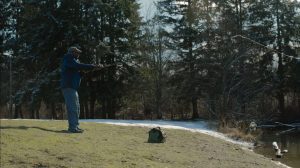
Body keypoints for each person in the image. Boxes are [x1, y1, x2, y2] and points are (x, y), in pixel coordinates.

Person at [61, 46, 101, 133]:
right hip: (69, 87)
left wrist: (83, 72)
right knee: (72, 108)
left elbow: (76, 72)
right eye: (77, 52)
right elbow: (77, 66)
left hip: (73, 88)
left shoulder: (73, 61)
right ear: (72, 52)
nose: (79, 54)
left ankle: (75, 126)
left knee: (77, 108)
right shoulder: (68, 58)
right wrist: (92, 66)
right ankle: (72, 128)